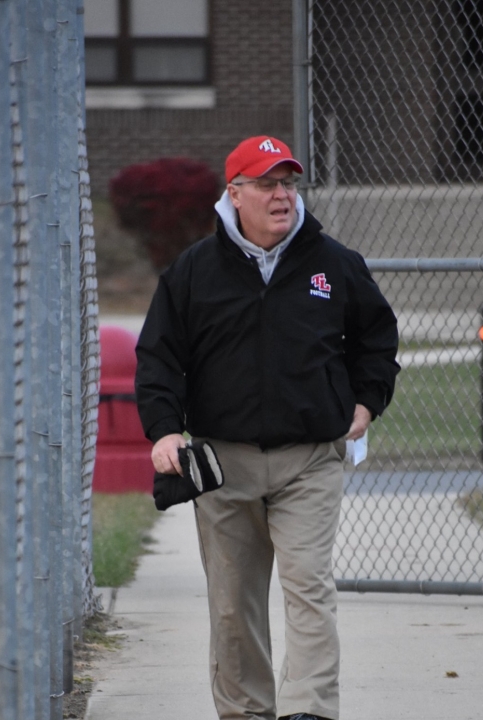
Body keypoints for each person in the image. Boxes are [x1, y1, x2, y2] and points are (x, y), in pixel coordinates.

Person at [135, 136, 400, 720]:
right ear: (234, 194)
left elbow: (378, 339)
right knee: (234, 605)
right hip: (223, 461)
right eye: (266, 184)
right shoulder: (193, 272)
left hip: (310, 457)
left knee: (309, 587)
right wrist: (163, 430)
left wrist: (366, 403)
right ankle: (247, 712)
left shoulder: (335, 263)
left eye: (289, 183)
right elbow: (159, 357)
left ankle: (308, 710)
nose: (282, 195)